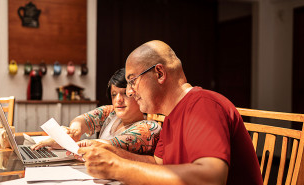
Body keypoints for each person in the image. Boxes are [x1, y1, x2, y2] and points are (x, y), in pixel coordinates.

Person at [78, 40, 263, 185]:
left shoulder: (203, 104)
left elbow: (211, 178)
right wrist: (113, 151)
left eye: (132, 80)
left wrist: (116, 167)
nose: (129, 91)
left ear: (159, 73)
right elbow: (159, 165)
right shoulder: (172, 116)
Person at [32, 68, 161, 155]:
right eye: (114, 95)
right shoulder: (112, 113)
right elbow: (82, 120)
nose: (118, 100)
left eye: (125, 94)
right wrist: (73, 131)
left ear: (138, 95)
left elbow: (108, 145)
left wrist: (65, 142)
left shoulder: (148, 128)